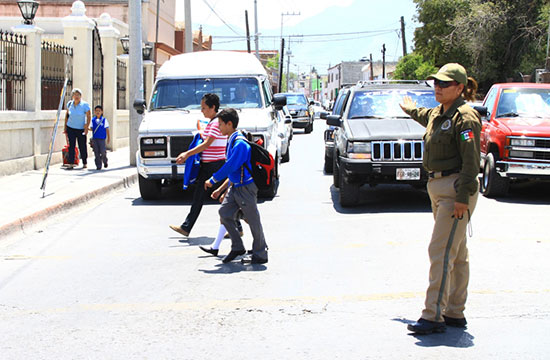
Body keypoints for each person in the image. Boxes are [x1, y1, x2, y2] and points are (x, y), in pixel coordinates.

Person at [399, 63, 481, 335]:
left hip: (456, 189)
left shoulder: (465, 117)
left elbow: (472, 162)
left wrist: (462, 198)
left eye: (444, 84)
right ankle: (454, 311)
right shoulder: (440, 113)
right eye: (436, 83)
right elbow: (425, 115)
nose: (438, 87)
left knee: (441, 251)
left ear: (459, 88)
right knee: (456, 253)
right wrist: (409, 108)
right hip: (438, 186)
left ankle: (433, 315)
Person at [205, 108, 268, 264]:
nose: (218, 127)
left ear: (229, 124)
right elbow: (233, 169)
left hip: (245, 188)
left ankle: (261, 253)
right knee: (225, 213)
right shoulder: (231, 139)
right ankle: (237, 247)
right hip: (235, 187)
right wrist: (221, 189)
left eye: (220, 124)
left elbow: (231, 166)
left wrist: (213, 180)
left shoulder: (239, 143)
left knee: (253, 220)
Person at [169, 93, 227, 237]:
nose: (202, 111)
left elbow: (207, 143)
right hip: (210, 165)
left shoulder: (215, 123)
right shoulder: (213, 122)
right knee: (202, 197)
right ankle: (186, 227)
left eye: (204, 108)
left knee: (223, 197)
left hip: (214, 165)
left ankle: (239, 222)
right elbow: (207, 139)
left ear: (213, 108)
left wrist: (186, 154)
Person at [64, 88, 91, 169]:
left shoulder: (84, 105)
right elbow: (67, 116)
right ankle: (71, 163)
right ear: (72, 96)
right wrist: (65, 127)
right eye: (75, 95)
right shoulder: (69, 104)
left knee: (82, 145)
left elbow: (88, 115)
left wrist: (87, 126)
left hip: (80, 129)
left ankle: (84, 162)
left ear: (81, 96)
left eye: (78, 95)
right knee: (71, 145)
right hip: (70, 128)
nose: (76, 96)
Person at [89, 105, 110, 170]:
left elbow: (107, 129)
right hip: (95, 138)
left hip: (102, 139)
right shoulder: (93, 120)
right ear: (94, 112)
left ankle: (105, 161)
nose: (98, 112)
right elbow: (92, 128)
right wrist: (86, 129)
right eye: (96, 111)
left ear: (102, 112)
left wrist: (108, 138)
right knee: (96, 152)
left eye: (99, 111)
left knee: (103, 151)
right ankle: (98, 165)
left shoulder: (104, 120)